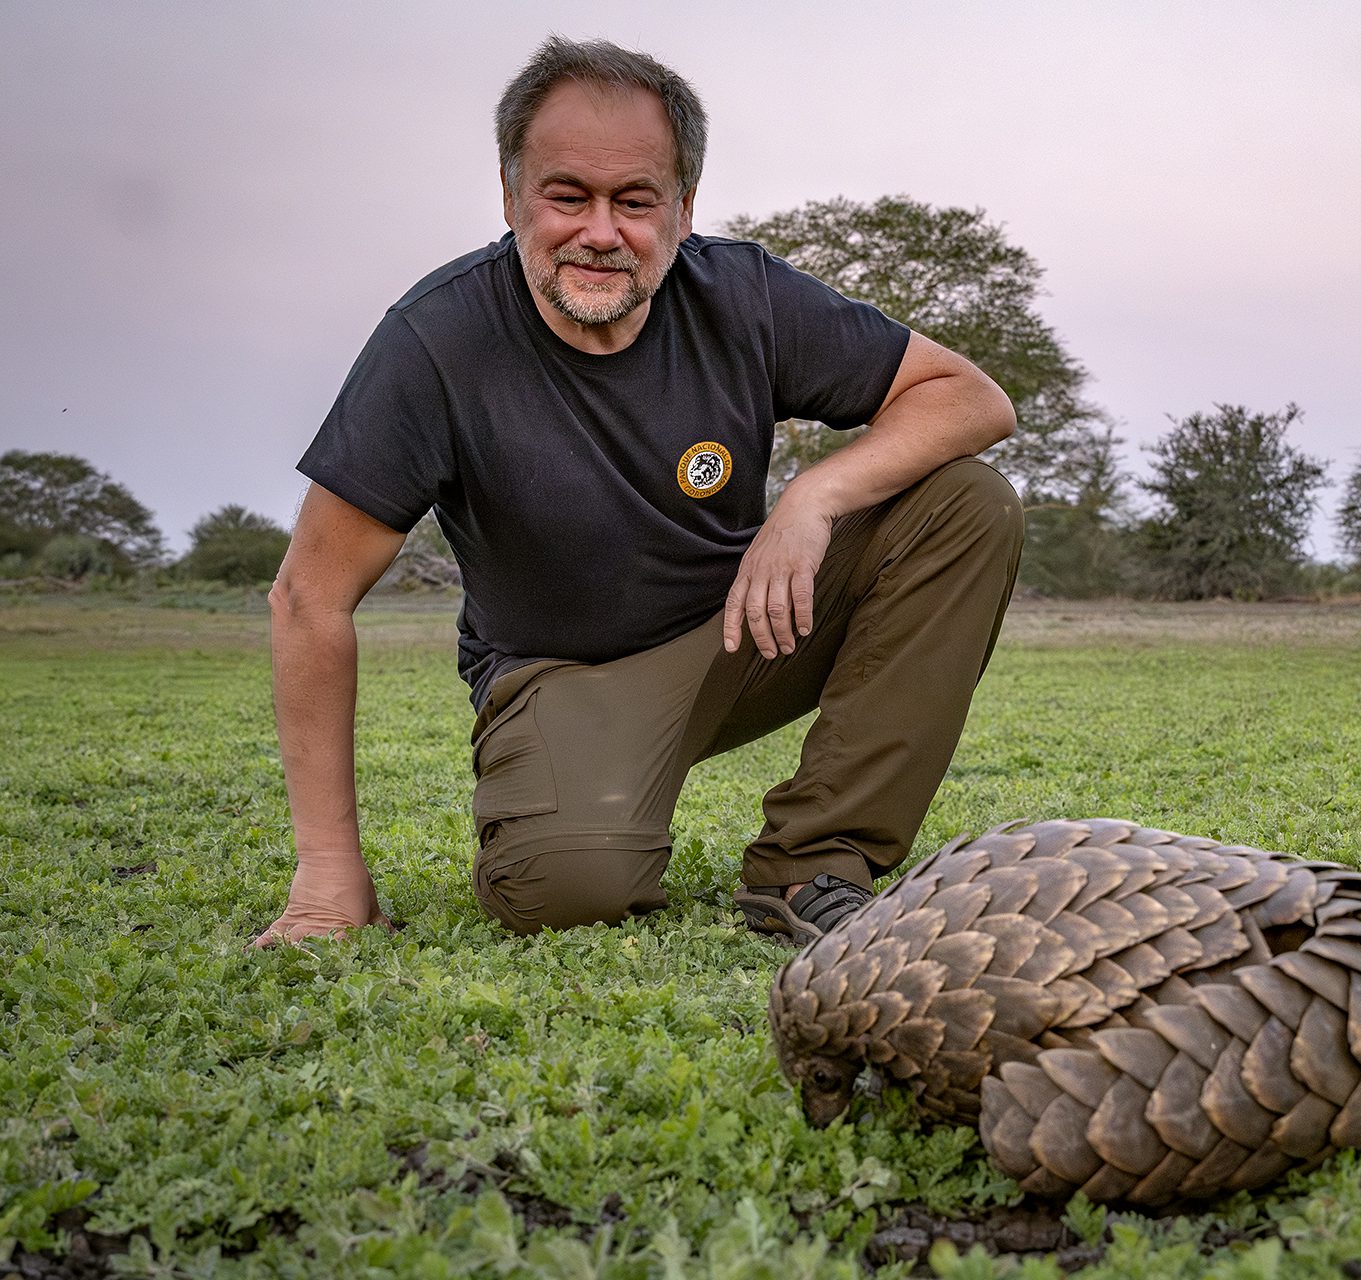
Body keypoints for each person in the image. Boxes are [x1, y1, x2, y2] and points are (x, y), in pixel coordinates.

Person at [252, 37, 1022, 948]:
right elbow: (310, 598)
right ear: (510, 197)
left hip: (746, 631)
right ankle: (580, 821)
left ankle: (814, 863)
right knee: (565, 890)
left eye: (636, 201)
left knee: (969, 504)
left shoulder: (743, 295)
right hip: (563, 677)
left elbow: (971, 398)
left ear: (685, 209)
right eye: (567, 195)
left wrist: (814, 496)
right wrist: (329, 873)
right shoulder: (435, 342)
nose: (601, 233)